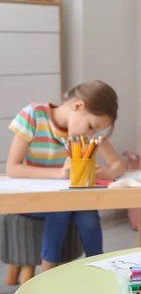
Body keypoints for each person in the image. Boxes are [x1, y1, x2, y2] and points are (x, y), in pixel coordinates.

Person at [6, 80, 125, 272]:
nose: (91, 133)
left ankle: (99, 268)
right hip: (33, 200)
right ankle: (47, 271)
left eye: (95, 130)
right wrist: (60, 174)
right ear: (78, 106)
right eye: (91, 126)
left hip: (69, 199)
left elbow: (119, 165)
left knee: (88, 215)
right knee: (61, 207)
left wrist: (109, 172)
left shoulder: (86, 134)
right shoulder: (33, 115)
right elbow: (13, 168)